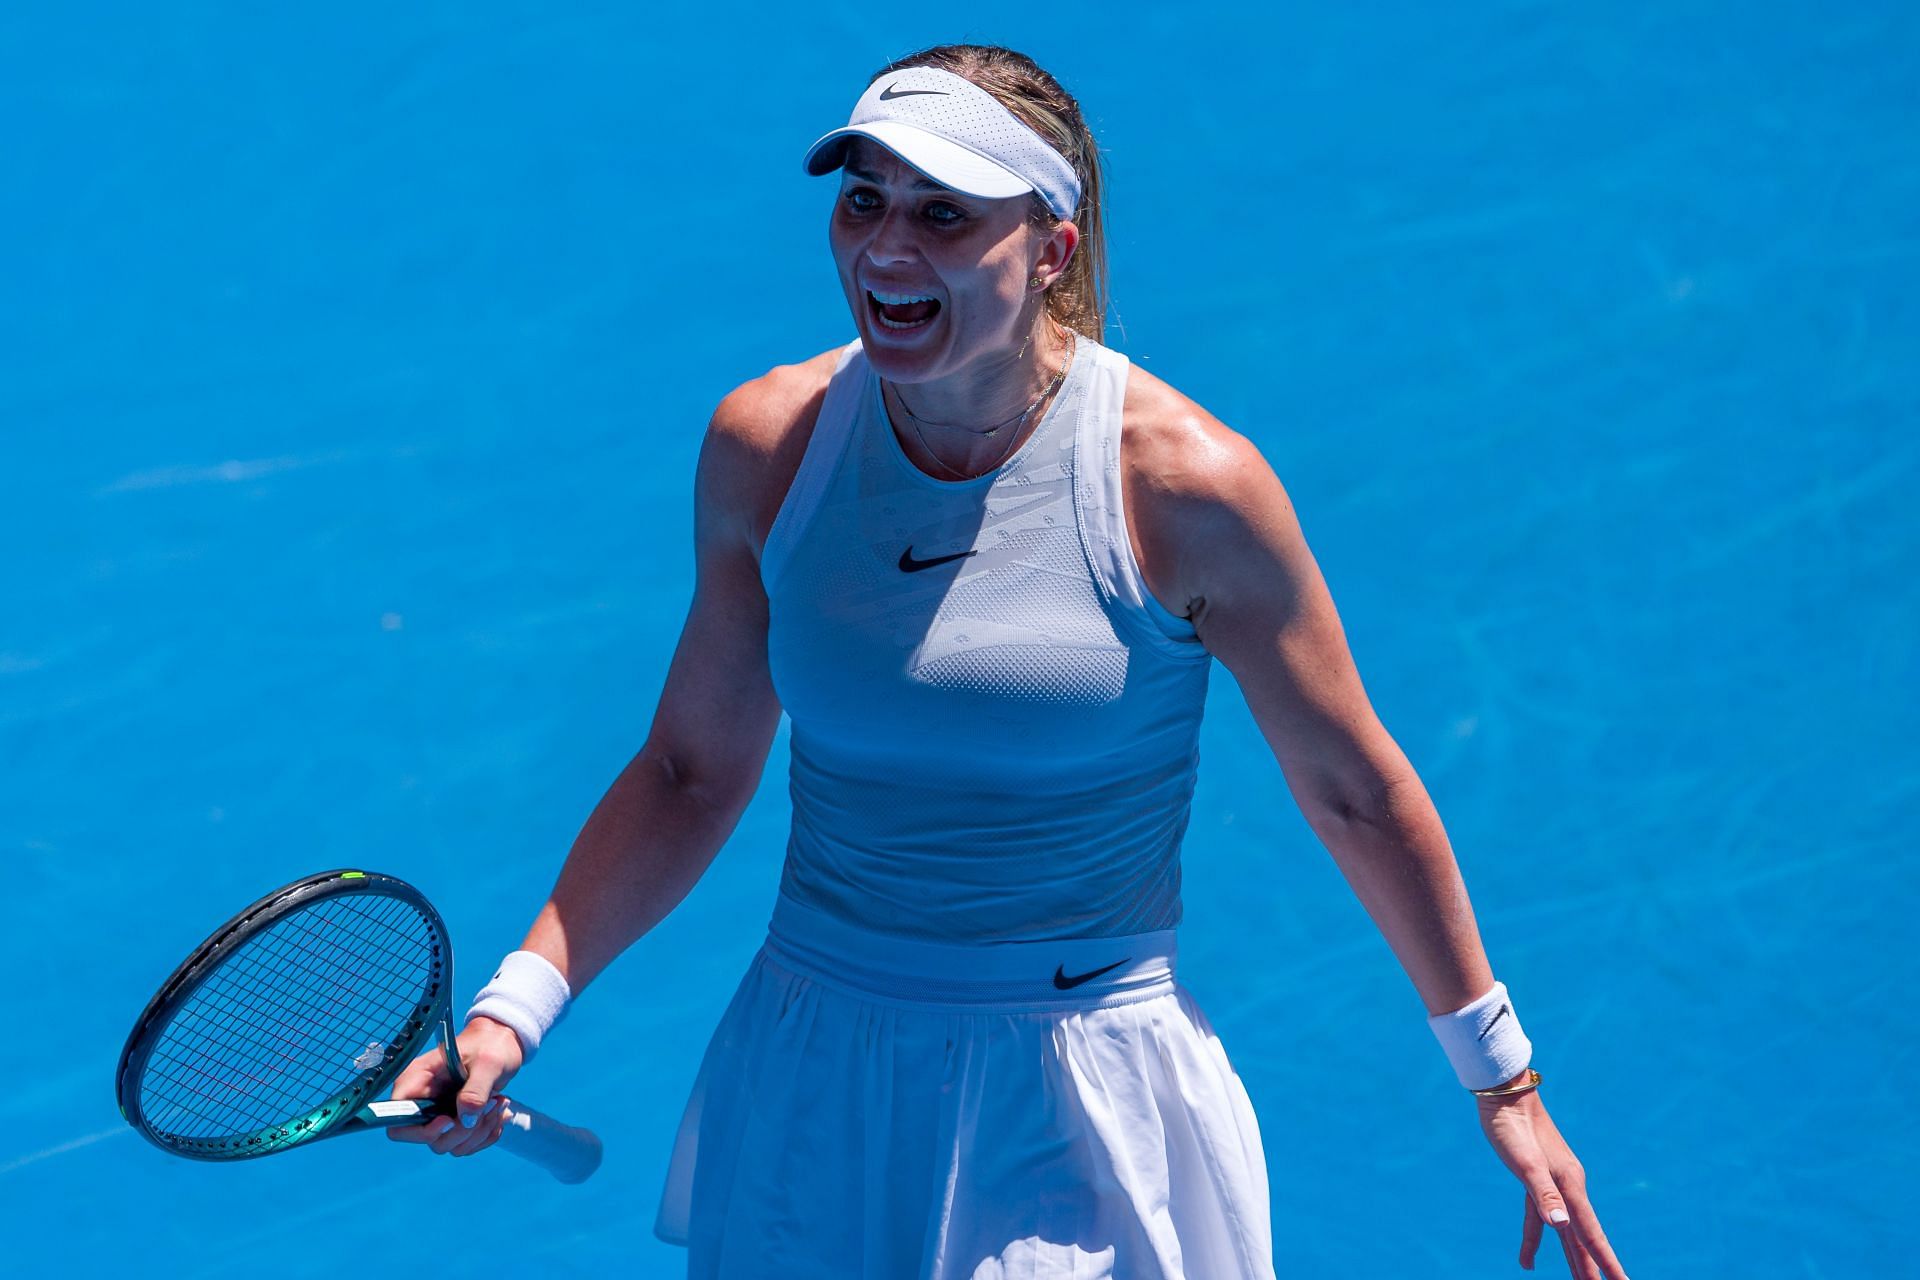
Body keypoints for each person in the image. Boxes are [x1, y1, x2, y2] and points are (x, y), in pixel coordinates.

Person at [387, 43, 1632, 1280]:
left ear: (1053, 250)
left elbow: (1353, 787)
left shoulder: (1185, 489)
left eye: (944, 214)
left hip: (1077, 1095)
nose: (885, 248)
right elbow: (687, 772)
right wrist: (512, 1011)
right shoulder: (769, 446)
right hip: (814, 1067)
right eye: (863, 197)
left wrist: (1501, 1075)